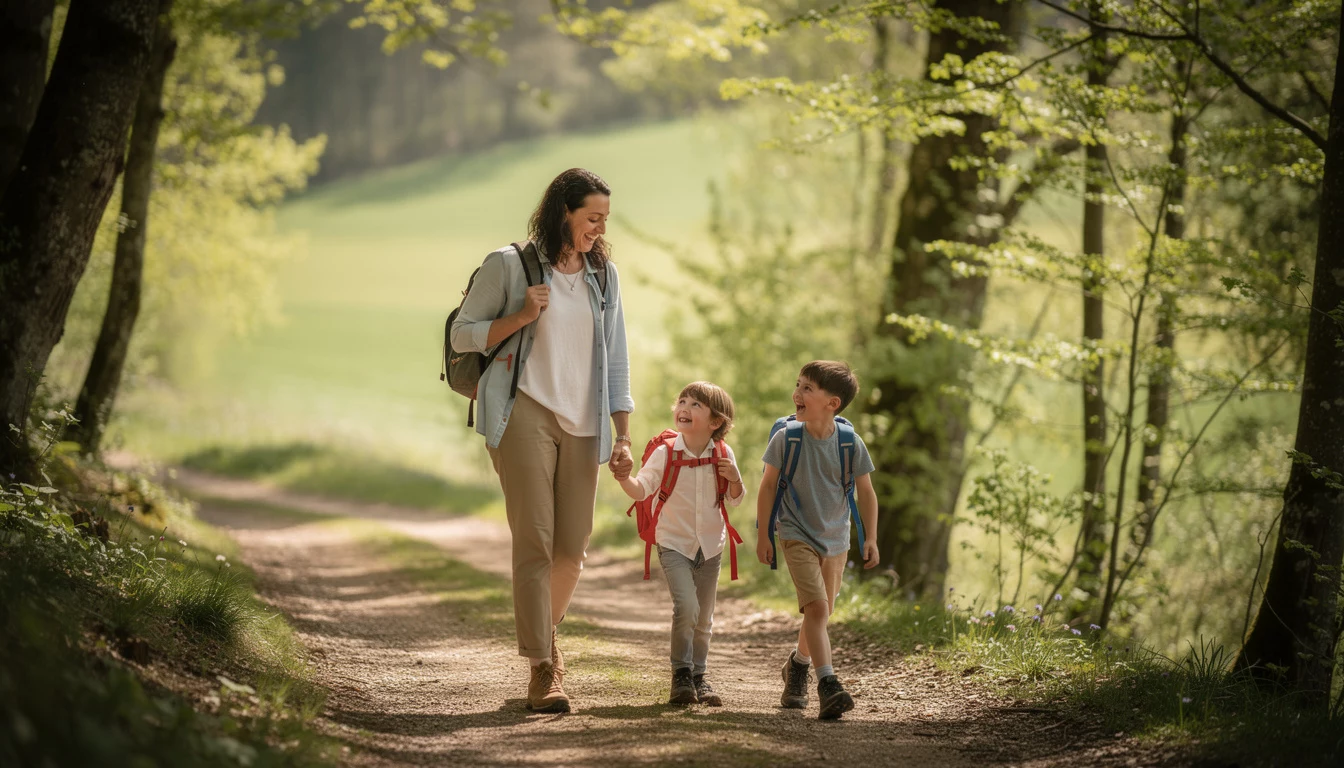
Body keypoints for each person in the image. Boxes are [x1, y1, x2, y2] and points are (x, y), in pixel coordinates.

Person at [449, 168, 634, 713]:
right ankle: (542, 668)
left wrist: (623, 433)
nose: (599, 229)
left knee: (571, 551)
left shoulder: (605, 276)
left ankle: (544, 636)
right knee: (535, 540)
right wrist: (521, 315)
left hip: (585, 420)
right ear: (563, 213)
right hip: (524, 410)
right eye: (591, 218)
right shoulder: (510, 265)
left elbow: (617, 357)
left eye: (604, 219)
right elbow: (463, 332)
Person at [756, 361, 879, 720]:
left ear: (833, 403)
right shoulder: (787, 438)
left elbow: (866, 492)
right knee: (818, 609)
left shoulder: (849, 443)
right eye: (798, 385)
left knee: (822, 612)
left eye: (808, 388)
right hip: (795, 532)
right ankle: (828, 683)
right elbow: (766, 487)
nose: (797, 393)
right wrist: (765, 533)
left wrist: (869, 537)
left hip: (837, 537)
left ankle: (797, 667)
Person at [613, 382, 745, 706]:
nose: (684, 407)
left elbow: (735, 500)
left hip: (711, 544)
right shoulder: (665, 453)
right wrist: (623, 478)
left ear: (716, 422)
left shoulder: (723, 454)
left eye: (696, 404)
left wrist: (736, 478)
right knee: (687, 608)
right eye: (682, 401)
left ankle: (700, 676)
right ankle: (681, 675)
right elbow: (642, 490)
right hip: (672, 542)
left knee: (705, 618)